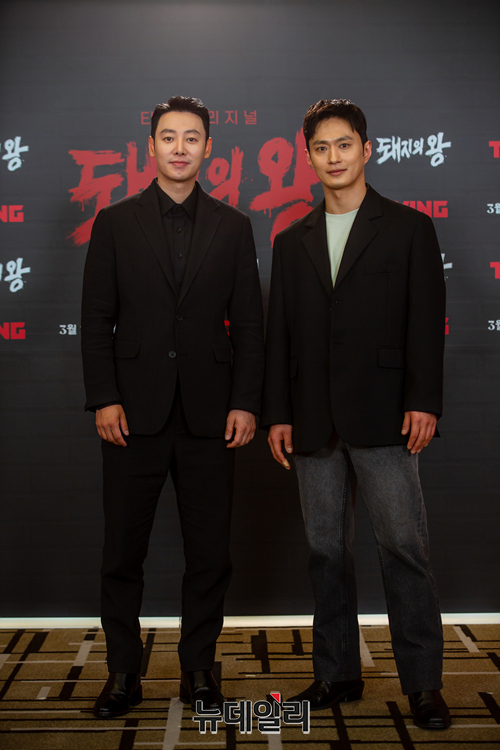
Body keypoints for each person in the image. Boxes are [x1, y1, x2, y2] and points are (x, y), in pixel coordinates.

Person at [262, 99, 450, 730]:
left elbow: (426, 321)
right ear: (308, 157)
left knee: (403, 549)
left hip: (386, 416)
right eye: (321, 148)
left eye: (344, 145)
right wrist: (278, 413)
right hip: (312, 420)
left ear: (366, 149)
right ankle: (336, 672)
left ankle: (423, 683)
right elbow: (280, 336)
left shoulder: (409, 228)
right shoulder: (291, 242)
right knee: (326, 552)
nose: (333, 157)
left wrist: (423, 400)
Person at [81, 96, 264, 718]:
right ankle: (123, 674)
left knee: (209, 555)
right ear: (151, 146)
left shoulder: (234, 226)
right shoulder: (114, 222)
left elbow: (249, 325)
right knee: (121, 554)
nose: (180, 147)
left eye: (191, 137)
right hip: (132, 414)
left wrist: (245, 402)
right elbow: (96, 319)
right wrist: (104, 396)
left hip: (212, 416)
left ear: (209, 147)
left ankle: (198, 672)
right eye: (168, 137)